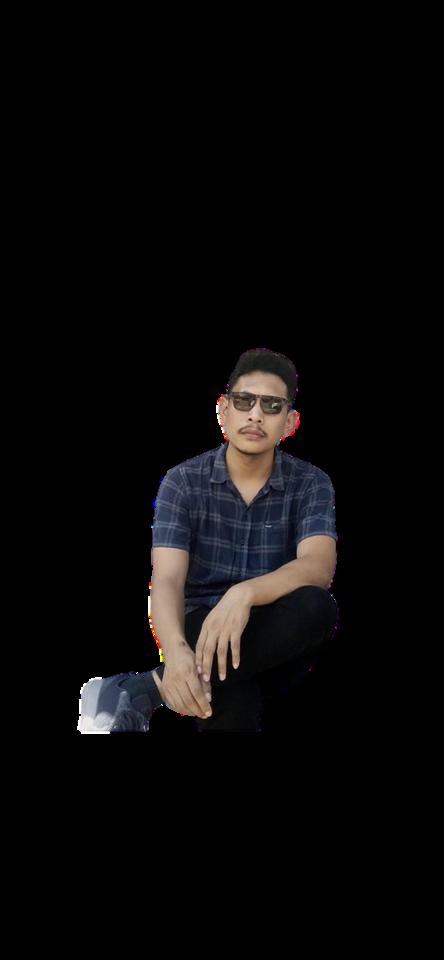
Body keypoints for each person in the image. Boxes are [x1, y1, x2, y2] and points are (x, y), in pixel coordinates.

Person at [78, 347, 339, 733]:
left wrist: (244, 594)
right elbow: (167, 579)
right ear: (223, 410)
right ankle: (177, 679)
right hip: (200, 626)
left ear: (290, 422)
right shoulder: (183, 482)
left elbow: (317, 566)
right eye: (244, 401)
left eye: (271, 406)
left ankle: (145, 688)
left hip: (274, 629)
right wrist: (175, 652)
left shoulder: (311, 483)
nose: (255, 415)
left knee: (317, 606)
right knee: (236, 700)